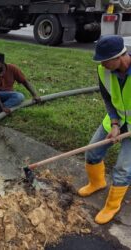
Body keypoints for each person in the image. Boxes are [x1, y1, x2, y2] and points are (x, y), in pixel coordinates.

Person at [78, 35, 131, 224]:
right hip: (117, 118)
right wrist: (115, 124)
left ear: (119, 56)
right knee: (92, 152)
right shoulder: (104, 71)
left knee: (123, 168)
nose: (101, 64)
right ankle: (97, 182)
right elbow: (108, 99)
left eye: (104, 60)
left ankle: (112, 205)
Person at [0, 53, 41, 132]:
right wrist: (2, 107)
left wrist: (35, 95)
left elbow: (25, 82)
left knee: (20, 96)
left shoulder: (13, 68)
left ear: (3, 63)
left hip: (6, 95)